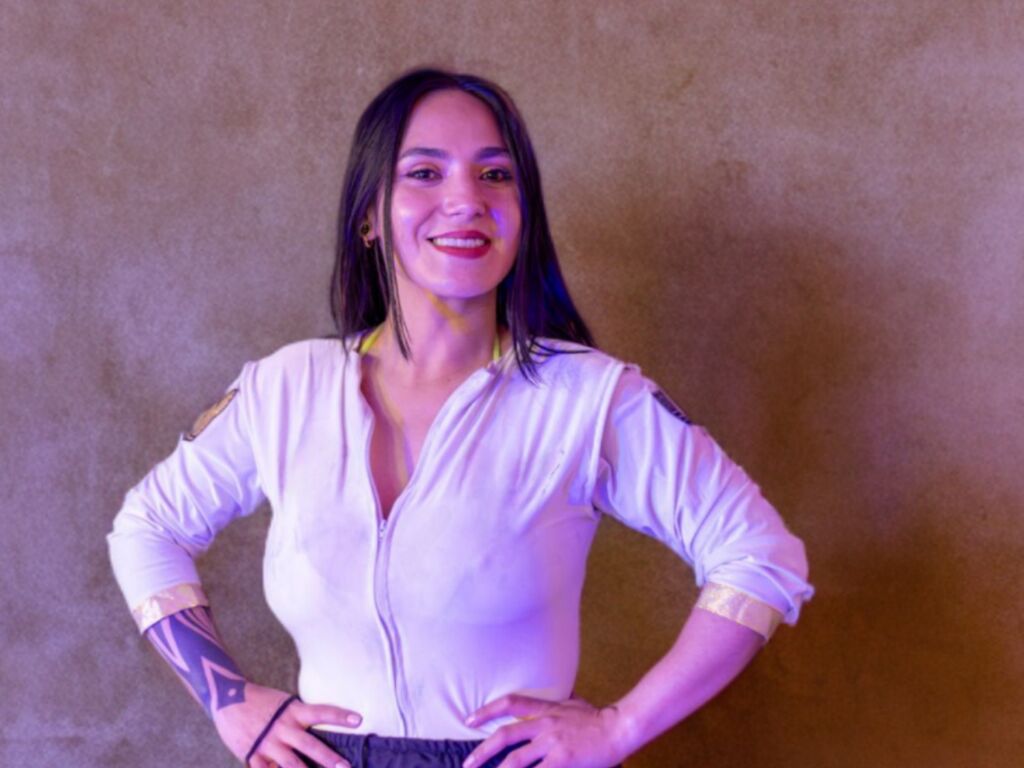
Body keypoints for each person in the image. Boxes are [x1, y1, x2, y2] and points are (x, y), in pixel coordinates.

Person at [108, 68, 813, 768]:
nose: (466, 200)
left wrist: (620, 728)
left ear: (523, 214)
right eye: (424, 173)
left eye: (495, 175)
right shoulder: (285, 389)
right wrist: (227, 699)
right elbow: (147, 528)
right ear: (368, 217)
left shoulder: (588, 397)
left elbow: (760, 556)